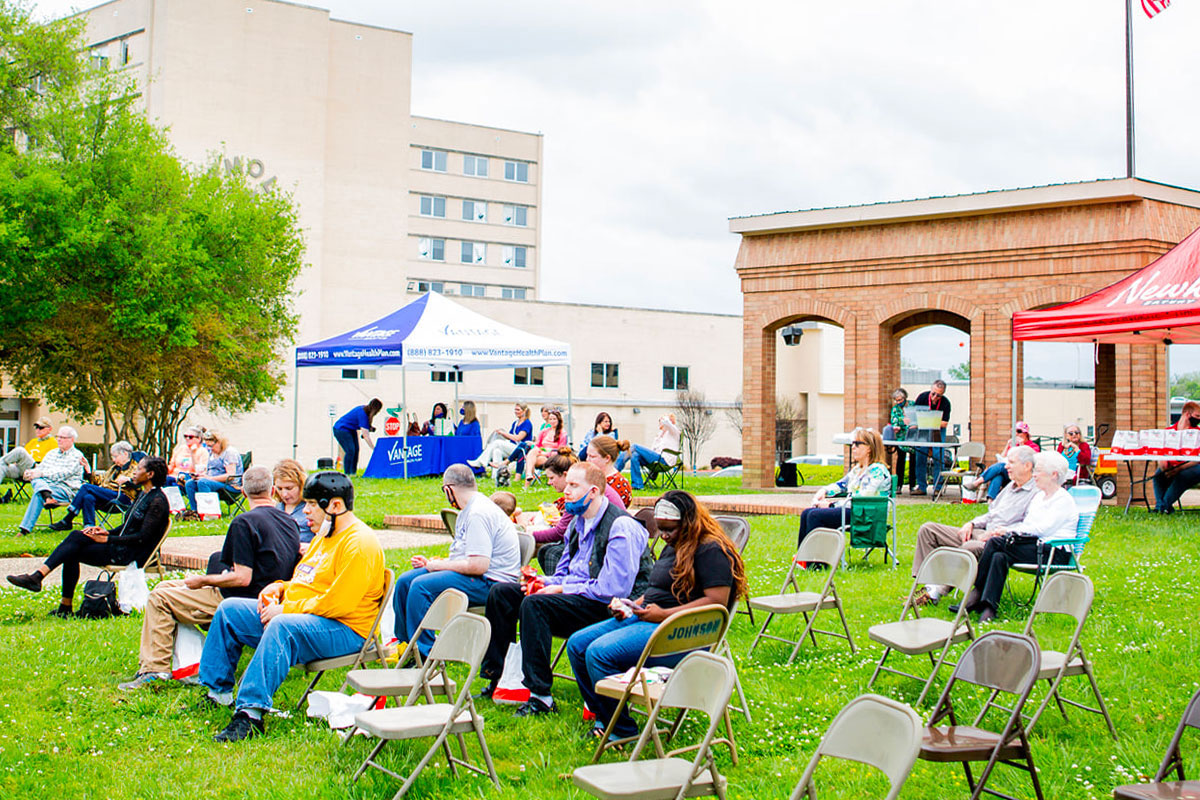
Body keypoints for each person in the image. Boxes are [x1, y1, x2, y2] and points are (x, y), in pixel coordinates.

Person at [198, 471, 385, 742]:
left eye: (311, 504)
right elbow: (306, 580)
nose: (303, 510)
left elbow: (338, 603)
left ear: (335, 505)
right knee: (230, 610)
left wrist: (286, 610)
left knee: (282, 625)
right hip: (313, 619)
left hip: (348, 630)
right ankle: (217, 693)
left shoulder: (360, 543)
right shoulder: (325, 534)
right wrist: (279, 588)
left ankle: (250, 714)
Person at [566, 490, 746, 742]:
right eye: (660, 529)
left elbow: (716, 603)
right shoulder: (674, 546)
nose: (663, 535)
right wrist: (631, 605)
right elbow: (655, 591)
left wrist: (664, 615)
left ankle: (620, 730)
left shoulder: (711, 550)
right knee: (577, 644)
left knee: (599, 653)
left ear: (688, 523)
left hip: (682, 632)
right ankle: (605, 715)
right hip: (650, 618)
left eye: (669, 529)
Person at [479, 462, 653, 717]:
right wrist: (541, 582)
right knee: (504, 593)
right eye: (567, 484)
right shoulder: (576, 523)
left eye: (573, 486)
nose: (566, 492)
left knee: (536, 605)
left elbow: (613, 589)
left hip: (614, 608)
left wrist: (561, 588)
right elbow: (562, 572)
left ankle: (541, 696)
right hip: (580, 596)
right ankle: (498, 676)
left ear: (593, 492)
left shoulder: (620, 526)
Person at [118, 466, 301, 690]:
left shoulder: (244, 522)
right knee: (165, 585)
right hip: (271, 597)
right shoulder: (289, 522)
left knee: (160, 599)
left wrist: (203, 581)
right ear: (273, 491)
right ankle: (186, 661)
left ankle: (154, 670)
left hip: (241, 599)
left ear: (243, 492)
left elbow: (242, 578)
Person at [7, 457, 170, 617]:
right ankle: (47, 588)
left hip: (131, 555)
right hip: (121, 546)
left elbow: (143, 537)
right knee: (77, 537)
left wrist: (108, 539)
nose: (134, 472)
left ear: (150, 474)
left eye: (139, 469)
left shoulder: (157, 501)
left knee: (73, 547)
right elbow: (127, 528)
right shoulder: (143, 495)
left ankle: (43, 583)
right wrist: (106, 532)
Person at [393, 465, 521, 658]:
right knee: (405, 581)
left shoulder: (478, 513)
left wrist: (437, 566)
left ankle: (425, 654)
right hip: (475, 576)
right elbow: (462, 556)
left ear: (448, 489)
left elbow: (479, 566)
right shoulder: (467, 510)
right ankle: (406, 646)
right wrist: (434, 563)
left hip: (491, 583)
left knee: (420, 586)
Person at [958, 451, 1078, 623]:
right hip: (1035, 547)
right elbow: (1028, 525)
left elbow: (1041, 529)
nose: (1034, 475)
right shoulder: (1040, 498)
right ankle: (989, 609)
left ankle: (976, 593)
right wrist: (1008, 530)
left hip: (1054, 551)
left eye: (1039, 471)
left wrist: (1007, 532)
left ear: (1054, 475)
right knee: (999, 556)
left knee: (995, 542)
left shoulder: (1063, 500)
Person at [910, 445, 1038, 606]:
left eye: (1011, 462)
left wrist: (998, 533)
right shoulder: (1009, 488)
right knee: (928, 530)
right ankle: (929, 586)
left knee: (970, 546)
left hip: (998, 542)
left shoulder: (1036, 493)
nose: (1006, 467)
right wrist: (971, 523)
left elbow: (1028, 527)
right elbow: (991, 514)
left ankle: (936, 592)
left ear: (1027, 466)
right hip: (982, 531)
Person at [523, 450, 628, 574]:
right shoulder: (579, 505)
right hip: (593, 547)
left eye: (552, 478)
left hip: (602, 550)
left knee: (550, 552)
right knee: (546, 550)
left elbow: (560, 533)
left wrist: (530, 534)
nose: (549, 483)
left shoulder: (583, 496)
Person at [796, 427, 890, 546]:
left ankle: (816, 561)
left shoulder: (878, 471)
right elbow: (841, 485)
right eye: (852, 444)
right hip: (854, 510)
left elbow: (862, 498)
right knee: (807, 513)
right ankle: (803, 558)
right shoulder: (857, 470)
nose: (853, 447)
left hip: (866, 515)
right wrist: (824, 491)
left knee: (815, 515)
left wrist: (831, 505)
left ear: (869, 449)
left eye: (857, 444)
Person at [48, 441, 139, 531]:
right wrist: (88, 470)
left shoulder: (136, 467)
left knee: (86, 487)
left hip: (123, 498)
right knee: (88, 497)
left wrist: (129, 480)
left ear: (125, 454)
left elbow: (141, 483)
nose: (113, 460)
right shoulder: (114, 468)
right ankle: (89, 528)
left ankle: (68, 519)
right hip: (108, 496)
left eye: (115, 456)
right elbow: (100, 482)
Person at [14, 425, 85, 536]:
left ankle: (25, 529)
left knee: (38, 492)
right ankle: (47, 497)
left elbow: (64, 474)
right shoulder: (51, 453)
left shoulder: (77, 456)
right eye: (58, 436)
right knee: (35, 478)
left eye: (62, 437)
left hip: (66, 489)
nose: (59, 439)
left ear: (71, 439)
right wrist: (31, 473)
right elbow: (41, 468)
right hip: (47, 485)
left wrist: (41, 474)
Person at [968, 421, 1041, 500]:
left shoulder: (1033, 446)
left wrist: (1022, 446)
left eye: (1019, 431)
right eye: (1014, 432)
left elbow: (1030, 460)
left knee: (1001, 467)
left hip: (1022, 473)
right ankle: (990, 501)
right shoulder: (1013, 445)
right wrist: (1007, 445)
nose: (1016, 434)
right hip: (1010, 472)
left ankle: (977, 483)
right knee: (998, 475)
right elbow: (1002, 458)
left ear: (1026, 434)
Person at [1152, 401, 1200, 514]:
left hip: (1192, 466)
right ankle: (1162, 506)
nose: (1198, 419)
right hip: (1172, 466)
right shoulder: (1168, 432)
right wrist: (1164, 467)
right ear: (1187, 414)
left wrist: (1178, 469)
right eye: (1197, 416)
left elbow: (1197, 459)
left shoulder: (1198, 433)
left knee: (1182, 476)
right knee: (1158, 476)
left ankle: (1163, 506)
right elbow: (1161, 453)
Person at [182, 431, 244, 513]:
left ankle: (207, 511)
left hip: (230, 485)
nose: (210, 449)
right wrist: (201, 475)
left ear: (219, 443)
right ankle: (194, 511)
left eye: (211, 446)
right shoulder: (212, 453)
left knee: (203, 482)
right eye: (207, 446)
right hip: (213, 482)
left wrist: (209, 478)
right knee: (190, 483)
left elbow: (231, 475)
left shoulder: (229, 453)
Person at [469, 403, 534, 475]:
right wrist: (500, 433)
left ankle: (481, 461)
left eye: (518, 410)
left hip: (520, 450)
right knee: (497, 451)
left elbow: (518, 438)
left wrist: (504, 433)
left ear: (524, 411)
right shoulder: (515, 423)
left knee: (497, 442)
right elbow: (510, 436)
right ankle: (496, 475)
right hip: (512, 447)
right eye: (515, 410)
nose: (516, 411)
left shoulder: (527, 423)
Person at [911, 379, 951, 496]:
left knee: (938, 456)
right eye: (933, 394)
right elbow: (914, 416)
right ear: (930, 390)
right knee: (920, 455)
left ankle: (938, 487)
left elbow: (944, 423)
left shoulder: (945, 403)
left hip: (937, 430)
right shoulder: (922, 398)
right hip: (923, 429)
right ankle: (921, 486)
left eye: (938, 395)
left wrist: (927, 420)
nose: (934, 397)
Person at [625, 413, 681, 491]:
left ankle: (617, 467)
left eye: (660, 421)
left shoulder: (674, 432)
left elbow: (667, 422)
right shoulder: (660, 435)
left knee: (635, 446)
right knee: (635, 455)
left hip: (664, 461)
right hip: (656, 459)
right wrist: (659, 435)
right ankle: (637, 485)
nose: (660, 422)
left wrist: (664, 418)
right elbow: (653, 449)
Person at [0, 416, 56, 493]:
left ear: (50, 429)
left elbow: (52, 463)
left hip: (37, 468)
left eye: (41, 427)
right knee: (2, 466)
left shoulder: (54, 443)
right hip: (22, 469)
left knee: (20, 450)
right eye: (36, 427)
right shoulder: (32, 442)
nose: (38, 430)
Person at [332, 399, 382, 476]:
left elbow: (364, 428)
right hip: (341, 429)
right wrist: (374, 448)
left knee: (356, 450)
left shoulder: (365, 411)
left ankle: (353, 473)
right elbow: (366, 436)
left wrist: (370, 428)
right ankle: (347, 473)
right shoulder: (362, 413)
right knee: (350, 450)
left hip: (351, 429)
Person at [523, 409, 568, 487]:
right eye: (550, 419)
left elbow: (561, 450)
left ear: (559, 420)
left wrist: (546, 453)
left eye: (554, 419)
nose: (552, 421)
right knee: (534, 451)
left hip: (552, 457)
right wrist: (540, 451)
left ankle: (527, 482)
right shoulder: (544, 431)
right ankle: (529, 475)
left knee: (530, 459)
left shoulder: (562, 433)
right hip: (540, 454)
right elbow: (537, 445)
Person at [271, 459, 312, 544]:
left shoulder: (312, 508)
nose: (284, 494)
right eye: (279, 489)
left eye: (289, 488)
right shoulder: (277, 508)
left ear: (301, 485)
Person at [586, 435, 633, 507]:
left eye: (592, 456)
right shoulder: (589, 478)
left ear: (607, 458)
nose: (587, 460)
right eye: (587, 455)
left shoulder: (620, 486)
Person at [881, 389, 913, 492]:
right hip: (901, 438)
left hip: (912, 437)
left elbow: (914, 419)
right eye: (897, 400)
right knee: (900, 460)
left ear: (905, 398)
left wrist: (904, 422)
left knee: (914, 461)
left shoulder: (912, 405)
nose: (899, 402)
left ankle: (912, 485)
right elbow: (894, 421)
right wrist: (902, 422)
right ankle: (899, 485)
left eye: (900, 400)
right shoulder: (895, 409)